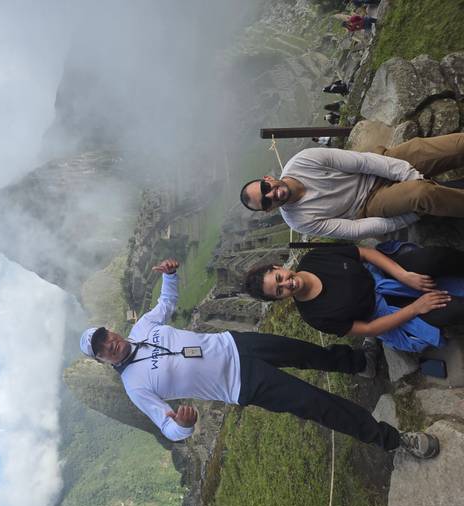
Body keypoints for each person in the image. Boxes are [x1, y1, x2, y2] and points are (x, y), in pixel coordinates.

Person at [79, 258, 440, 458]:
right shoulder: (134, 386)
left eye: (104, 336)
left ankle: (358, 363)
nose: (109, 344)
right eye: (101, 349)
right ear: (102, 360)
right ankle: (392, 440)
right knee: (315, 403)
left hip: (236, 344)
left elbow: (166, 304)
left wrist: (170, 276)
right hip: (242, 384)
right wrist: (184, 425)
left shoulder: (143, 326)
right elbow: (167, 427)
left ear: (110, 331)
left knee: (307, 353)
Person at [238, 133, 464, 240]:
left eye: (265, 188)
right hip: (370, 203)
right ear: (268, 210)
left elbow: (364, 162)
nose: (272, 194)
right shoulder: (299, 220)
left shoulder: (303, 161)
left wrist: (410, 174)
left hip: (376, 168)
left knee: (455, 146)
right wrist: (407, 218)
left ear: (267, 179)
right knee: (421, 194)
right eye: (266, 201)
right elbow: (356, 230)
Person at [244, 244, 464, 353]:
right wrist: (415, 308)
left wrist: (404, 275)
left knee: (435, 257)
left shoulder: (314, 258)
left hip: (385, 275)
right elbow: (369, 330)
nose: (287, 284)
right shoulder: (315, 316)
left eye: (279, 278)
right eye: (279, 291)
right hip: (389, 311)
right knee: (454, 309)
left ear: (277, 267)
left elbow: (364, 253)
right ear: (280, 299)